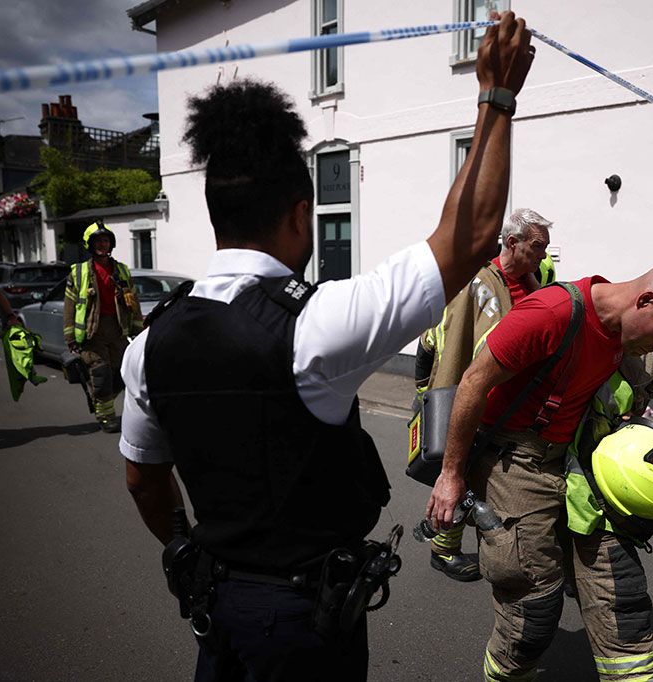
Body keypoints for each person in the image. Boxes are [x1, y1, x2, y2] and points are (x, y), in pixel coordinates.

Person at [119, 11, 535, 681]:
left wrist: (185, 545)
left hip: (218, 601)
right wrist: (497, 95)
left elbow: (143, 476)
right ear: (296, 214)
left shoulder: (150, 342)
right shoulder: (317, 324)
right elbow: (474, 235)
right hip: (302, 620)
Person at [427, 265, 653, 681]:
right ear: (645, 301)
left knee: (620, 591)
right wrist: (451, 476)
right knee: (531, 608)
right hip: (514, 461)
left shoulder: (622, 335)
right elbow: (472, 384)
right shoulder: (551, 313)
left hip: (575, 462)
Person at [416, 208, 552, 581]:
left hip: (515, 398)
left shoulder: (532, 279)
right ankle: (443, 549)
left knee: (481, 474)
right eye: (538, 247)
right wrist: (427, 391)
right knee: (460, 470)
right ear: (513, 242)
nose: (544, 255)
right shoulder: (479, 283)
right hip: (477, 394)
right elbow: (440, 337)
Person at [63, 221, 143, 433]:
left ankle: (101, 401)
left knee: (121, 374)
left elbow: (133, 302)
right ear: (89, 244)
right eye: (98, 241)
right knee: (101, 374)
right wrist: (70, 338)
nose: (102, 244)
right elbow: (69, 307)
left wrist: (138, 330)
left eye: (106, 240)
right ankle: (106, 416)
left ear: (111, 244)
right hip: (92, 332)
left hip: (117, 330)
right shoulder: (79, 272)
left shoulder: (122, 270)